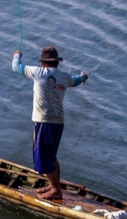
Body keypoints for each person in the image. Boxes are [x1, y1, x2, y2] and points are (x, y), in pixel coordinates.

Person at [12, 46, 88, 200]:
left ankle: (55, 190)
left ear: (43, 63)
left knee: (44, 157)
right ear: (56, 62)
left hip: (44, 121)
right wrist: (84, 76)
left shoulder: (38, 73)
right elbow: (77, 80)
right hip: (58, 122)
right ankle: (55, 186)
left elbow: (16, 67)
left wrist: (17, 55)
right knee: (51, 156)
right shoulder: (65, 77)